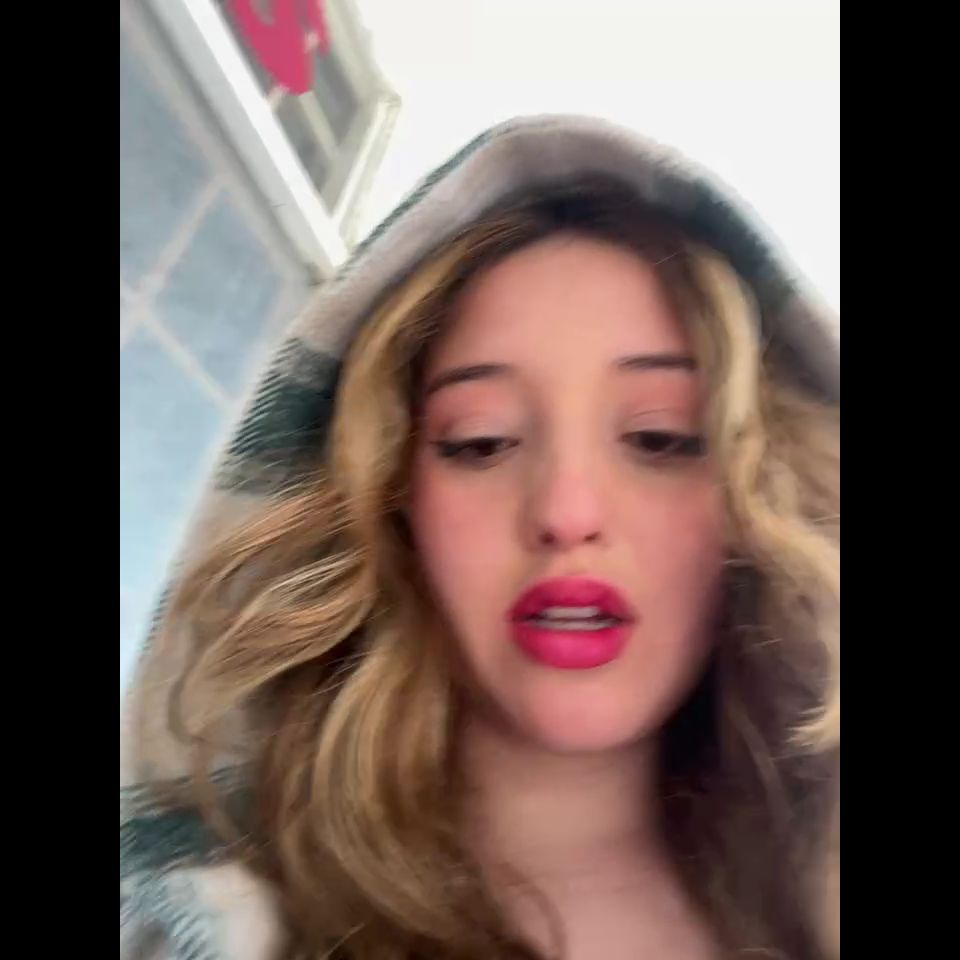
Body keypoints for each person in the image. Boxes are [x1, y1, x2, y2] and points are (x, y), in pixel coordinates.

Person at [120, 115, 839, 960]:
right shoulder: (199, 923)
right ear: (392, 501)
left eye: (661, 436)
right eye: (482, 441)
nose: (566, 511)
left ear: (764, 502)